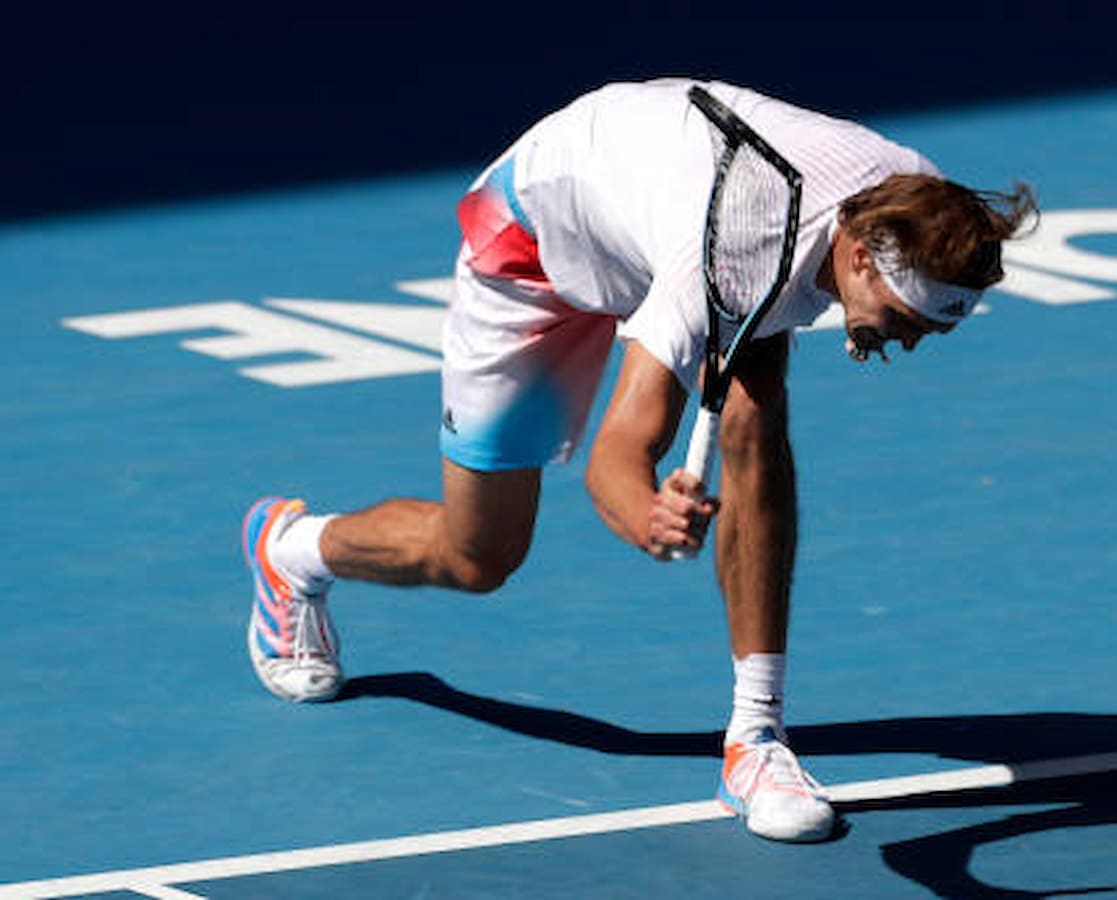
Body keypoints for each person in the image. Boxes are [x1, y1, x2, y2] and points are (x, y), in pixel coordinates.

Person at [242, 78, 1036, 843]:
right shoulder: (736, 252)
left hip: (662, 202)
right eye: (906, 320)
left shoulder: (924, 208)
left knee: (755, 422)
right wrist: (646, 511)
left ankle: (755, 741)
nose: (909, 340)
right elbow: (616, 457)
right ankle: (290, 550)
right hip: (536, 244)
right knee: (478, 555)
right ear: (862, 257)